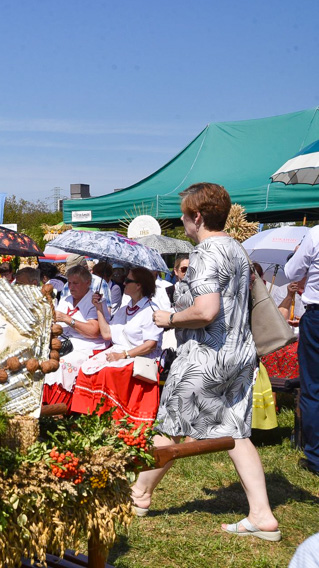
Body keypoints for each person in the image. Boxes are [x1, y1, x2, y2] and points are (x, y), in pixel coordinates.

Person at [133, 183, 279, 540]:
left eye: (184, 216)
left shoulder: (205, 253)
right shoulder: (236, 249)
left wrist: (170, 320)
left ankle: (138, 494)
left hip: (206, 355)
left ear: (197, 217)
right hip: (241, 353)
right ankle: (262, 515)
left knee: (169, 426)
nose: (182, 222)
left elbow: (206, 310)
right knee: (236, 433)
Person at [70, 267, 163, 424]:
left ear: (139, 285)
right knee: (86, 368)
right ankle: (90, 417)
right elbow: (107, 334)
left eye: (128, 281)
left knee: (108, 372)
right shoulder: (123, 310)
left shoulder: (151, 310)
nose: (124, 283)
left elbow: (150, 345)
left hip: (140, 357)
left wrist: (124, 355)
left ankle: (113, 417)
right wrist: (99, 309)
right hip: (119, 352)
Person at [45, 265, 109, 404]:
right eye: (70, 283)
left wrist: (68, 319)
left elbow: (93, 331)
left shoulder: (95, 302)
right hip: (64, 342)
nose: (72, 287)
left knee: (62, 363)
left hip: (87, 345)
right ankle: (43, 402)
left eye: (76, 283)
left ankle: (60, 405)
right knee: (45, 357)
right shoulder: (65, 300)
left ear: (88, 283)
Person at [285, 225, 319, 477]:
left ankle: (316, 456)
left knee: (313, 387)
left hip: (317, 317)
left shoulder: (316, 234)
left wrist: (300, 253)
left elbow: (291, 271)